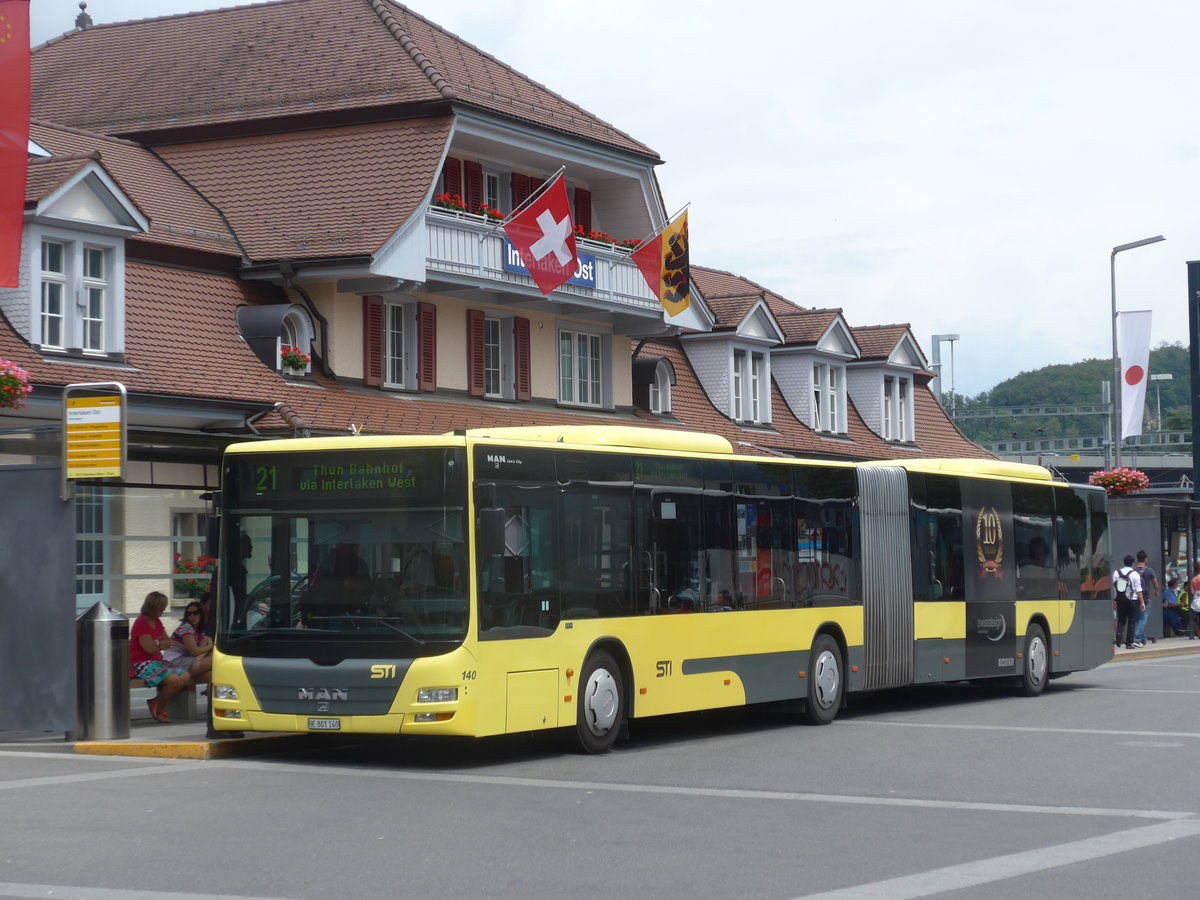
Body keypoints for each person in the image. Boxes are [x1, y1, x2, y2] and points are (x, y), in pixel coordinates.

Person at [130, 590, 194, 723]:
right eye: (161, 608)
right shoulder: (141, 622)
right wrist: (159, 644)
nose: (163, 610)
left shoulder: (157, 621)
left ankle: (156, 702)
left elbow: (168, 642)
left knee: (186, 675)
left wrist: (158, 644)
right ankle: (160, 707)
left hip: (157, 661)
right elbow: (150, 649)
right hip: (141, 663)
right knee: (174, 680)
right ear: (154, 607)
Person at [162, 600, 214, 682]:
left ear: (201, 614)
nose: (192, 616)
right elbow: (195, 651)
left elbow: (202, 650)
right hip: (173, 660)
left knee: (211, 676)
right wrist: (210, 646)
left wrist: (198, 659)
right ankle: (186, 676)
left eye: (195, 613)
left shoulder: (201, 630)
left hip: (187, 659)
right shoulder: (186, 627)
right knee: (213, 660)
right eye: (189, 614)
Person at [1112, 555, 1143, 650]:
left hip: (1120, 600)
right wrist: (1142, 602)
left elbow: (1114, 586)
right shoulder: (1135, 574)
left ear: (1123, 563)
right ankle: (1129, 643)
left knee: (1121, 620)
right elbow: (1138, 590)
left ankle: (1118, 637)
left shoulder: (1116, 573)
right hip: (1132, 600)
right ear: (1133, 564)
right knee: (1132, 621)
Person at [1133, 550, 1161, 646]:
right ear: (1145, 559)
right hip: (1145, 597)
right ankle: (1137, 638)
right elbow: (1155, 584)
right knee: (1143, 619)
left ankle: (1143, 640)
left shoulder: (1133, 570)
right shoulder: (1149, 570)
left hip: (1135, 597)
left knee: (1139, 618)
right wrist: (1156, 591)